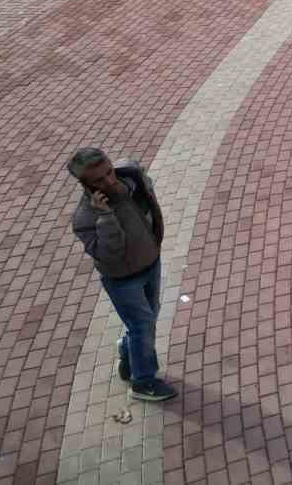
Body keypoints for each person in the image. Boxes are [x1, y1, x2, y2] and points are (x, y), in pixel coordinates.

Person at [68, 148, 176, 402]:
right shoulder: (85, 217)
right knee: (142, 325)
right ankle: (143, 381)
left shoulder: (129, 177)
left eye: (109, 171)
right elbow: (110, 254)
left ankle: (129, 353)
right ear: (85, 184)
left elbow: (144, 191)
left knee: (149, 317)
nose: (109, 181)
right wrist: (105, 217)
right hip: (123, 279)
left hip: (151, 262)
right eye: (99, 180)